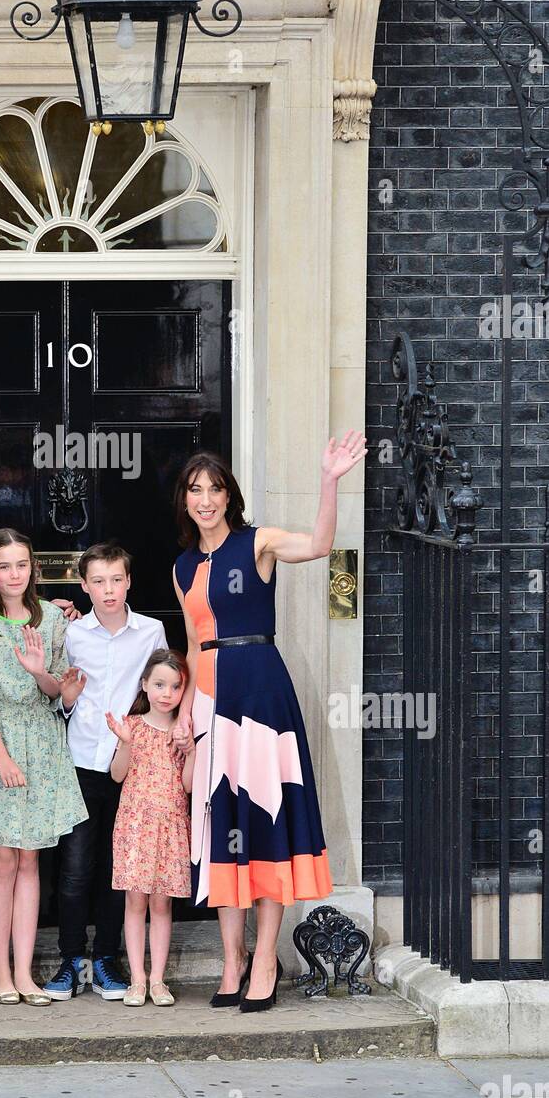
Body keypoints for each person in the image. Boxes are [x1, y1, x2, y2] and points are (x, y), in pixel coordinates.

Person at [171, 434, 367, 1014]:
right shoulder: (183, 565)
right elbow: (189, 642)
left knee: (265, 817)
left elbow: (321, 545)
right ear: (184, 500)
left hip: (259, 692)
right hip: (209, 701)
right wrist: (185, 710)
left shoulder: (257, 543)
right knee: (222, 827)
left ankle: (264, 961)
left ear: (230, 497)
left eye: (216, 489)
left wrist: (329, 480)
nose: (206, 500)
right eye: (195, 490)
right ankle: (232, 960)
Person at [0, 529, 88, 1005]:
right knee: (2, 860)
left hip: (43, 743)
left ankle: (25, 973)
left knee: (31, 858)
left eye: (21, 565)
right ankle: (0, 974)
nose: (14, 574)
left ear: (33, 568)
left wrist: (39, 670)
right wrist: (2, 758)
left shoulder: (52, 618)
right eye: (4, 566)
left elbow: (56, 693)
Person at [44, 542, 167, 1001]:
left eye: (116, 579)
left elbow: (161, 691)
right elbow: (54, 695)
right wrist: (68, 700)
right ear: (84, 585)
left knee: (122, 869)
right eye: (98, 581)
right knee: (75, 867)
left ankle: (107, 959)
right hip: (79, 761)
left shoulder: (151, 631)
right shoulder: (72, 633)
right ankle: (71, 959)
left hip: (130, 765)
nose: (108, 589)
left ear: (129, 580)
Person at [107, 649, 192, 1007]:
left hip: (170, 825)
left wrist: (191, 752)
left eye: (174, 686)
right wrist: (125, 742)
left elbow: (188, 785)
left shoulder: (182, 733)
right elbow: (117, 774)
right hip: (136, 825)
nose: (166, 693)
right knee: (135, 901)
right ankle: (137, 980)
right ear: (145, 685)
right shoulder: (135, 726)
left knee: (161, 905)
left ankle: (158, 980)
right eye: (159, 684)